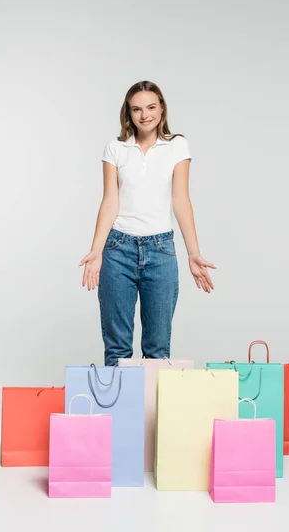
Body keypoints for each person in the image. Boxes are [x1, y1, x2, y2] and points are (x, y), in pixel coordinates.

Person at [79, 81, 216, 366]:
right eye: (137, 109)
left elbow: (181, 201)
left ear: (162, 108)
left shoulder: (177, 146)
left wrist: (193, 253)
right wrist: (96, 251)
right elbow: (110, 202)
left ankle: (152, 412)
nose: (145, 115)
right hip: (118, 249)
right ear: (128, 113)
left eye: (151, 107)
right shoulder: (115, 149)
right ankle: (120, 411)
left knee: (157, 350)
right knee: (117, 350)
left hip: (160, 250)